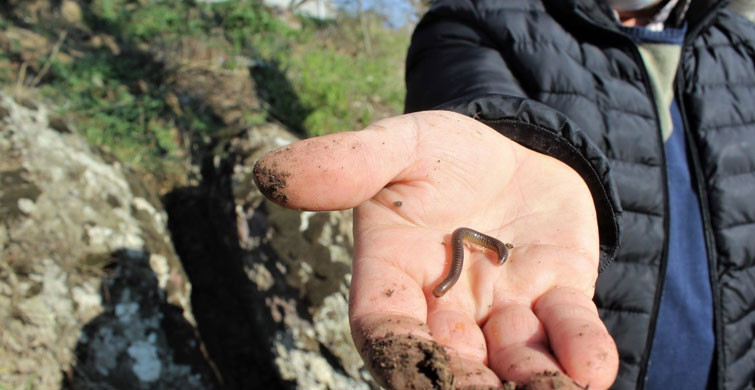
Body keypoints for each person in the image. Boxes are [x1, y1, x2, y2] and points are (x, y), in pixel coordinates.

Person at [252, 0, 755, 388]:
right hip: (566, 361)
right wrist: (492, 126)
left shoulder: (743, 44)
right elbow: (459, 73)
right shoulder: (479, 17)